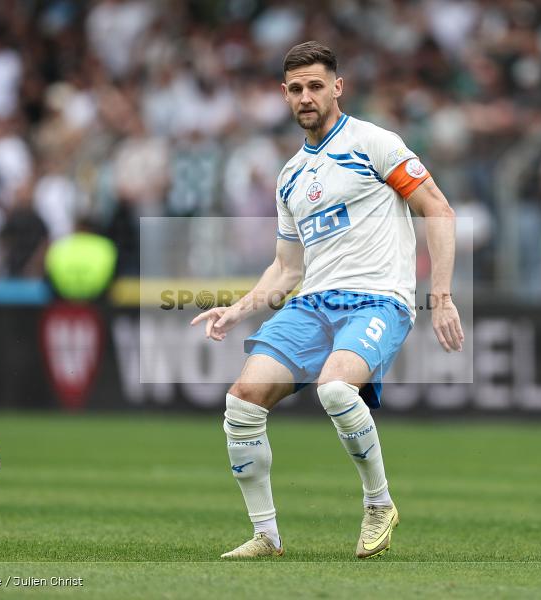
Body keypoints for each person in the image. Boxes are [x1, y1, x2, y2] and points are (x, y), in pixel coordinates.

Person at [190, 41, 463, 559]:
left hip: (378, 300)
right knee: (241, 402)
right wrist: (238, 308)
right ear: (284, 96)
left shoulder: (375, 144)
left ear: (337, 87)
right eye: (295, 89)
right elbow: (287, 268)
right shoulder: (290, 176)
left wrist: (442, 296)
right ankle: (266, 536)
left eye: (316, 85)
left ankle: (379, 504)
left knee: (336, 389)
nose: (305, 97)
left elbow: (439, 209)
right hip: (312, 304)